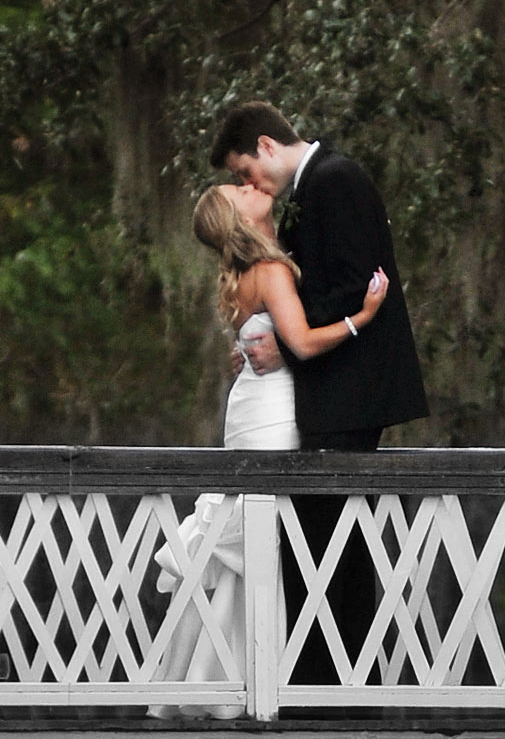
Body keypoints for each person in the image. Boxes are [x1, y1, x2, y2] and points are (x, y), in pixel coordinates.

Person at [208, 102, 428, 674]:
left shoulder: (336, 180)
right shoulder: (315, 186)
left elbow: (357, 284)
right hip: (327, 390)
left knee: (336, 543)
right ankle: (315, 679)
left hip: (351, 390)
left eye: (244, 171)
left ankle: (338, 686)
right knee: (320, 539)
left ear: (267, 146)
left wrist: (286, 342)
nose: (247, 185)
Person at [153, 185, 387, 703]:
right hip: (274, 415)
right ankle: (251, 678)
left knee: (253, 538)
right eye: (239, 189)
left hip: (249, 410)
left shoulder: (244, 277)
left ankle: (224, 677)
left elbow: (259, 343)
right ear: (238, 218)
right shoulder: (273, 272)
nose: (251, 186)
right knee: (267, 539)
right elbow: (301, 343)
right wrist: (362, 318)